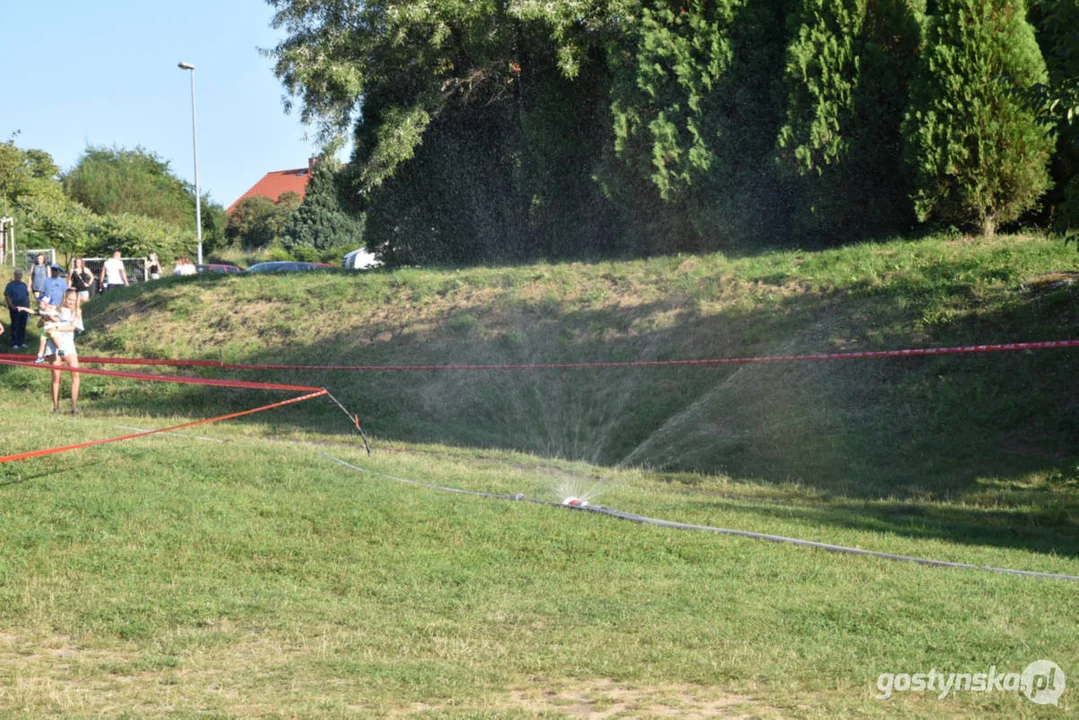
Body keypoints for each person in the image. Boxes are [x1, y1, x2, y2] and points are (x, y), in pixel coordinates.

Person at [45, 289, 83, 415]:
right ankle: (56, 407)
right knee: (56, 376)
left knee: (76, 373)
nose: (71, 302)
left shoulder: (77, 312)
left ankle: (74, 406)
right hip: (56, 344)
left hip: (69, 344)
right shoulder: (57, 310)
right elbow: (47, 325)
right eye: (69, 299)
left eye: (73, 300)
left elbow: (72, 327)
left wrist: (57, 327)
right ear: (65, 298)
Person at [3, 269, 30, 349]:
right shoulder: (10, 285)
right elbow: (7, 296)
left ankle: (21, 342)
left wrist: (28, 308)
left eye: (20, 274)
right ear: (14, 275)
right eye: (17, 274)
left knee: (23, 326)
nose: (18, 276)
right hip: (15, 309)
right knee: (15, 325)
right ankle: (14, 342)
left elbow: (27, 296)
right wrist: (12, 306)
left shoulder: (24, 285)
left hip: (24, 309)